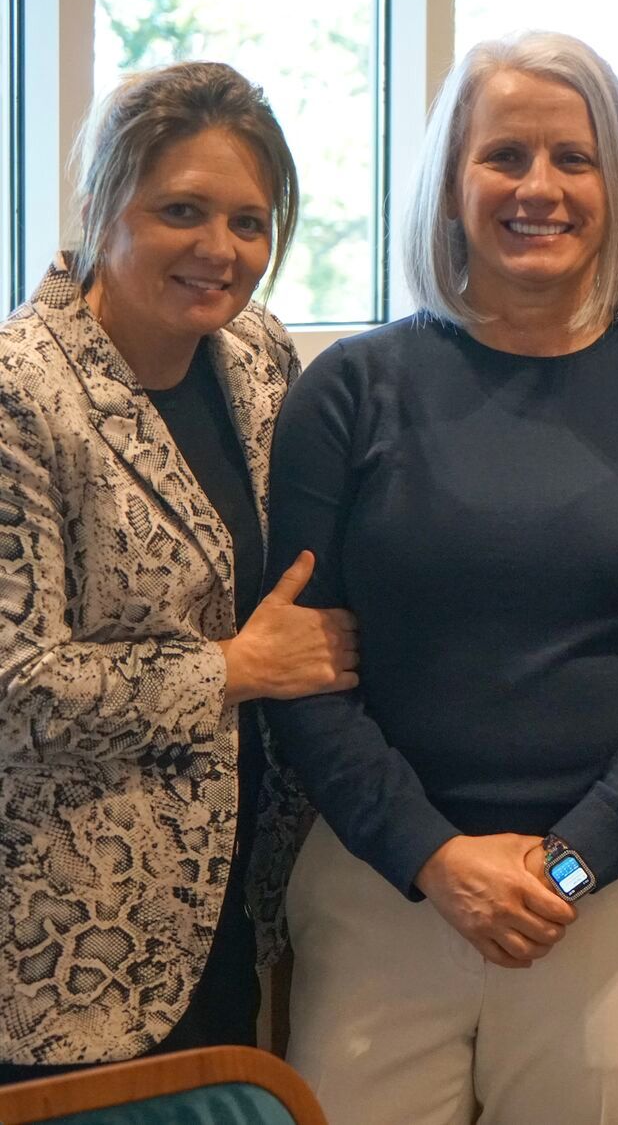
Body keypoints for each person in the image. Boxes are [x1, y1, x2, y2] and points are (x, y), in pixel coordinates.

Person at [264, 31, 618, 1125]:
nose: (536, 187)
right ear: (452, 184)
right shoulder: (347, 392)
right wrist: (433, 857)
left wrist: (572, 866)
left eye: (572, 159)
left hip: (611, 903)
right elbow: (301, 669)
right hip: (381, 889)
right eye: (503, 155)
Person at [0, 61, 358, 1081]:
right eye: (182, 211)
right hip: (63, 941)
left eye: (250, 221)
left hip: (241, 907)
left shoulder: (256, 355)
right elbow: (15, 687)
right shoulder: (20, 393)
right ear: (103, 203)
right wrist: (233, 668)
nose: (220, 249)